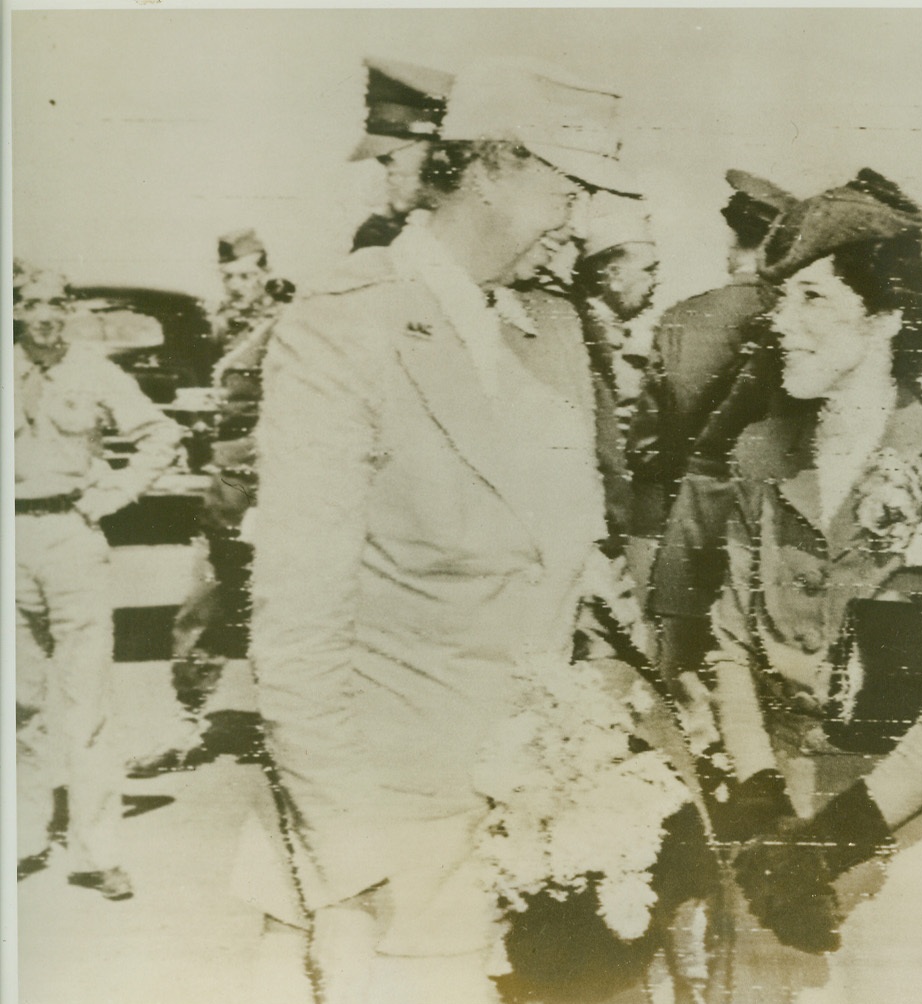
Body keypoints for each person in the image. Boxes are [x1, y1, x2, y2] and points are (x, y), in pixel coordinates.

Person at [247, 58, 640, 1004]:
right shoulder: (345, 324)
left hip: (539, 832)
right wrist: (347, 865)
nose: (579, 218)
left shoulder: (554, 329)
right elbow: (298, 626)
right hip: (390, 842)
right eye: (567, 188)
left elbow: (569, 571)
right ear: (491, 168)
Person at [700, 176, 922, 1002]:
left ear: (885, 317)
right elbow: (729, 644)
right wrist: (762, 809)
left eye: (812, 298)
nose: (781, 322)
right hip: (773, 838)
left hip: (899, 830)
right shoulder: (760, 454)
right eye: (779, 298)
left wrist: (834, 842)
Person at [14, 261, 183, 900]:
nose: (45, 315)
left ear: (70, 310)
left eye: (56, 303)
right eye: (31, 303)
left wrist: (111, 495)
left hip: (71, 536)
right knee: (19, 700)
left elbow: (160, 433)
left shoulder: (93, 371)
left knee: (86, 700)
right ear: (16, 309)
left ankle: (97, 852)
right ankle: (23, 836)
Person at [128, 229, 294, 778]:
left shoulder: (287, 324)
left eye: (246, 275)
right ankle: (186, 724)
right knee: (201, 605)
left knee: (276, 606)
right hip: (227, 485)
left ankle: (291, 731)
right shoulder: (227, 327)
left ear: (265, 273)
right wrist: (205, 412)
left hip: (266, 483)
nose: (238, 286)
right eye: (229, 277)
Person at [629, 170, 796, 682]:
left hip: (691, 525)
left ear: (734, 242)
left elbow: (646, 447)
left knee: (680, 685)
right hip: (777, 534)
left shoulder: (681, 317)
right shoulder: (797, 317)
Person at [569, 191, 659, 555]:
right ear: (614, 275)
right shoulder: (578, 337)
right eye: (649, 270)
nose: (656, 282)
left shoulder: (613, 337)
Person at [348, 58, 453, 252]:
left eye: (392, 153)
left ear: (434, 145)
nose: (389, 166)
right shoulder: (381, 233)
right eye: (384, 158)